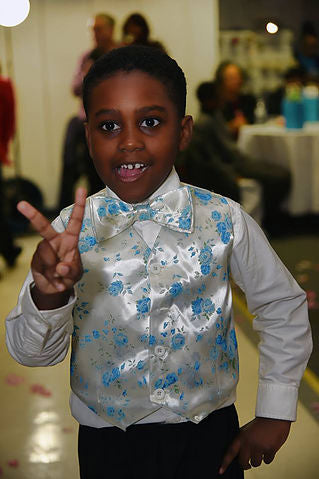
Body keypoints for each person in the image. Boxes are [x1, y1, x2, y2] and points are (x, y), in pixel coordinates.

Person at [6, 46, 311, 479]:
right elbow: (32, 354)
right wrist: (48, 295)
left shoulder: (226, 220)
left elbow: (281, 306)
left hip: (209, 437)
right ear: (88, 136)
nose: (129, 141)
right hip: (108, 443)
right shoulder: (68, 236)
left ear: (183, 131)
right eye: (108, 125)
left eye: (150, 122)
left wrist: (276, 410)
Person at [177, 81, 291, 234]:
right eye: (218, 96)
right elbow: (213, 161)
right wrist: (233, 176)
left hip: (239, 161)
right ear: (210, 100)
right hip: (235, 166)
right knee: (280, 177)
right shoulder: (205, 124)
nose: (222, 99)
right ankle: (272, 220)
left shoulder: (216, 115)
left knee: (280, 173)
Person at [58, 13, 117, 210]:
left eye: (98, 29)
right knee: (88, 170)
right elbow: (75, 88)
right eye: (92, 29)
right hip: (89, 122)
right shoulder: (86, 57)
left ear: (111, 29)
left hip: (115, 122)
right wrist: (87, 75)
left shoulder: (122, 54)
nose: (94, 34)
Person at [0, 68, 22, 267]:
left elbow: (8, 121)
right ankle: (8, 250)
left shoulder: (4, 87)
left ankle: (9, 250)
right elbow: (9, 122)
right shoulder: (5, 86)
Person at [215, 61, 256, 139]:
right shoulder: (216, 104)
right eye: (231, 78)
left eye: (238, 77)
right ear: (222, 81)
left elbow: (255, 122)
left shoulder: (249, 100)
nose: (236, 81)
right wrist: (230, 127)